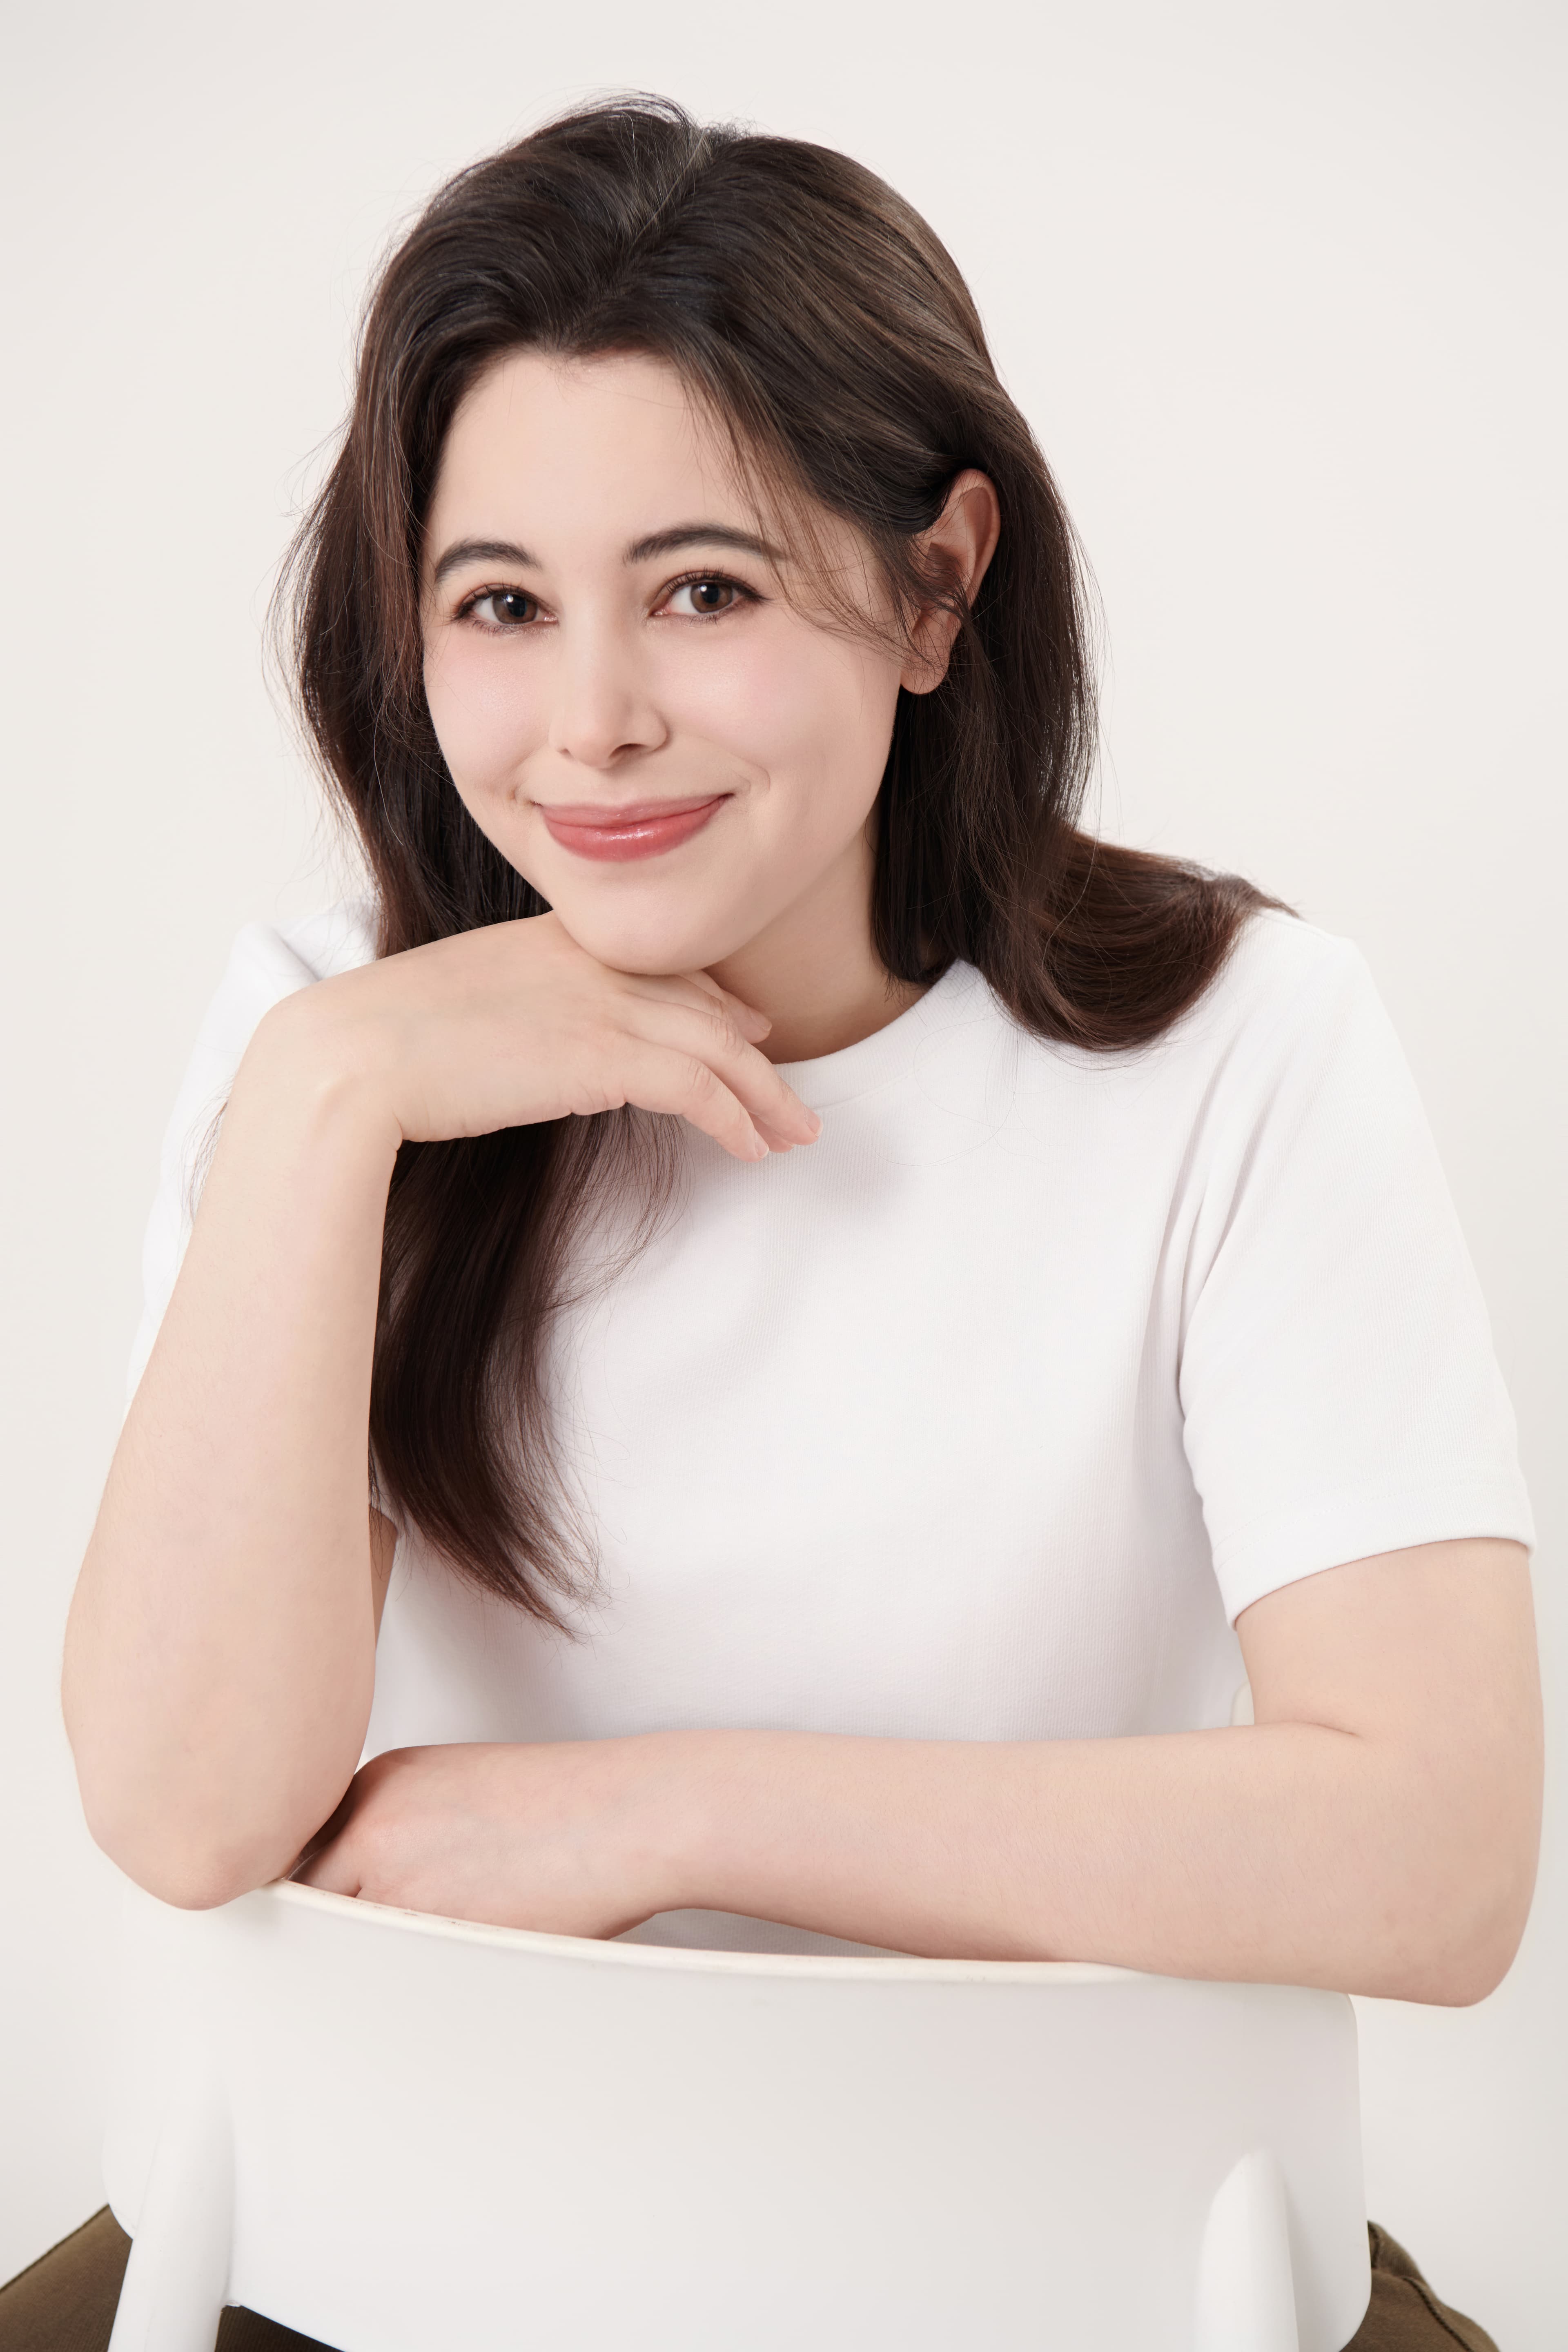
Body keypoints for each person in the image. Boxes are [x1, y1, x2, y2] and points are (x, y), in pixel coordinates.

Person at [23, 95, 1537, 2352]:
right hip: (380, 2256)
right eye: (502, 607)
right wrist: (332, 1097)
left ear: (938, 588)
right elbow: (185, 1805)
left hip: (1066, 2266)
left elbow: (1438, 1855)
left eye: (704, 592)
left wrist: (667, 1821)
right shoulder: (331, 1047)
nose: (593, 725)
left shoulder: (1243, 1040)